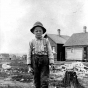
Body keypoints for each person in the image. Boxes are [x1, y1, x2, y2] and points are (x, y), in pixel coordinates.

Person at [27, 21, 54, 88]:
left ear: (43, 32)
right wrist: (29, 66)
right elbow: (29, 54)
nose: (38, 32)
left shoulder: (46, 41)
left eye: (40, 31)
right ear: (33, 32)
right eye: (36, 31)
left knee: (44, 79)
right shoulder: (31, 41)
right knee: (36, 79)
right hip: (34, 60)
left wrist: (51, 63)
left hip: (44, 60)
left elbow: (50, 52)